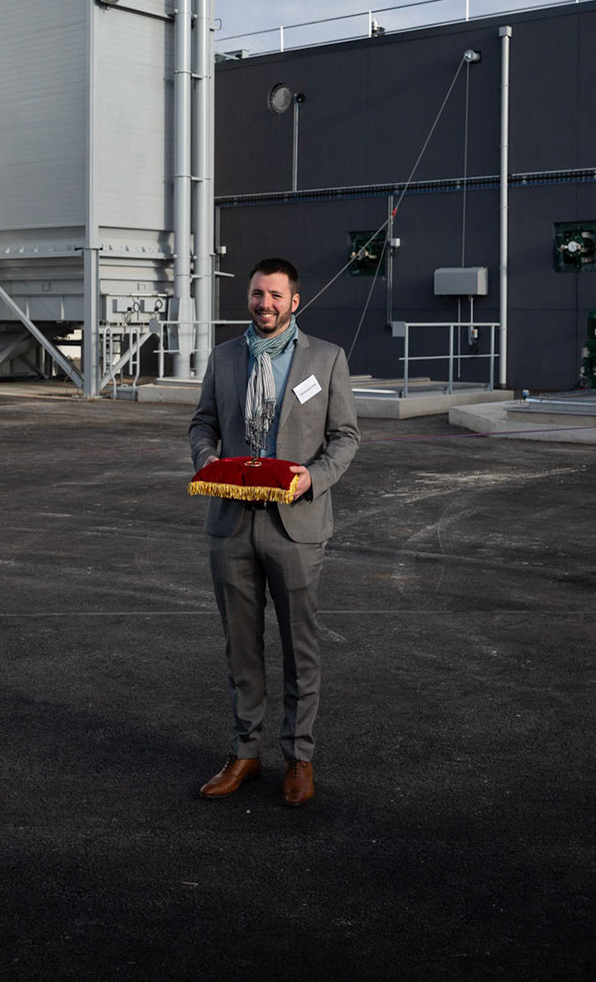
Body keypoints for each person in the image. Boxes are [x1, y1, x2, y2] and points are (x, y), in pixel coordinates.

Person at [190, 257, 359, 807]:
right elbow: (203, 423)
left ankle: (299, 759)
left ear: (295, 301)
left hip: (296, 524)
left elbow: (345, 437)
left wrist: (314, 477)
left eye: (276, 296)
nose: (265, 304)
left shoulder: (326, 359)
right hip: (232, 522)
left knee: (299, 647)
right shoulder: (223, 357)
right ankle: (245, 753)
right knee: (241, 647)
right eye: (258, 294)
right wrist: (207, 458)